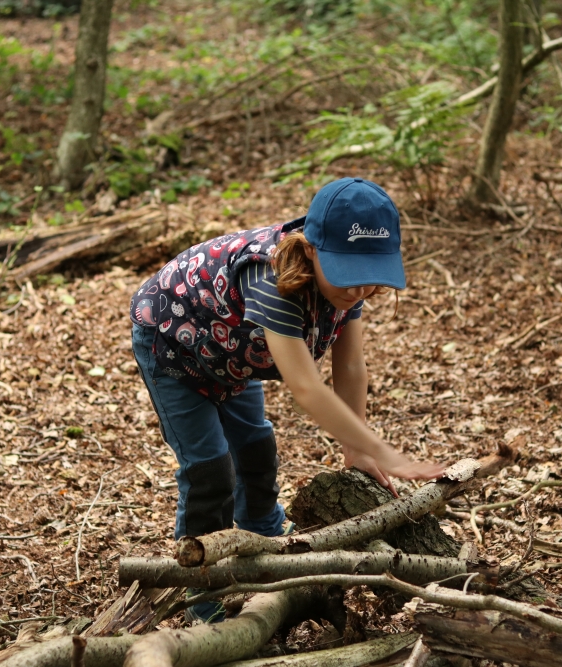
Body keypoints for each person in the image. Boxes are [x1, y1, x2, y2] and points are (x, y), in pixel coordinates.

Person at [129, 177, 443, 621]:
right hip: (173, 347)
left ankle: (262, 531)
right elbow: (307, 387)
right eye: (349, 276)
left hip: (232, 358)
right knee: (210, 469)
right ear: (312, 248)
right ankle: (200, 585)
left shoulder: (345, 286)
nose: (357, 291)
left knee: (256, 445)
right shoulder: (272, 281)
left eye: (367, 278)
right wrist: (382, 450)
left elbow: (349, 366)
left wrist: (355, 447)